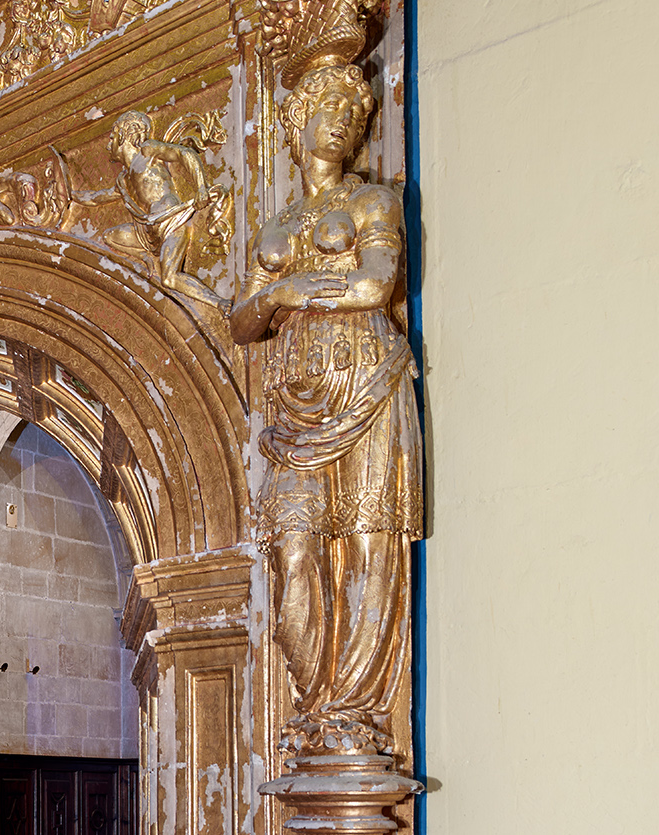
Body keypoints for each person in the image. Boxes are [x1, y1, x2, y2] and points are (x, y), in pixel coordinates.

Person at [228, 63, 420, 756]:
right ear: (297, 122)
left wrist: (295, 288)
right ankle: (316, 706)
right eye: (327, 105)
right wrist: (280, 295)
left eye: (353, 109)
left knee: (370, 545)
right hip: (296, 408)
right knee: (294, 560)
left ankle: (354, 718)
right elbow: (241, 319)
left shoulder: (372, 202)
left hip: (367, 379)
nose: (341, 118)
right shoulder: (278, 224)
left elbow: (378, 283)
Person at [75, 111, 226, 308]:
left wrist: (201, 188)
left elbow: (184, 153)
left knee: (169, 279)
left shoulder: (147, 151)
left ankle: (219, 303)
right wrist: (70, 195)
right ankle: (147, 257)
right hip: (147, 231)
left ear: (124, 135)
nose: (107, 145)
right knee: (110, 236)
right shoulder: (123, 180)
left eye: (112, 138)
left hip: (170, 220)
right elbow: (97, 199)